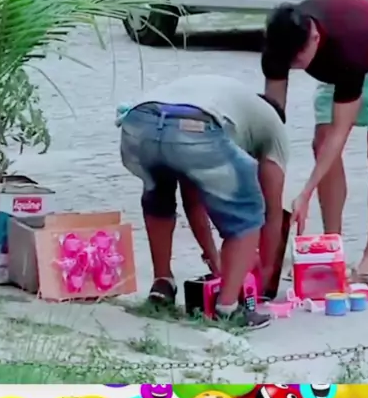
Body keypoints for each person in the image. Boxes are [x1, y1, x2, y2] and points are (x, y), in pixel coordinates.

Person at [261, 0, 368, 288]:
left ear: (314, 38)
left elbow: (340, 134)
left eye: (298, 60)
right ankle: (331, 247)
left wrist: (305, 192)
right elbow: (272, 118)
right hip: (338, 68)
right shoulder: (280, 44)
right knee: (319, 142)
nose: (292, 66)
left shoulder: (349, 47)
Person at [117, 74, 290, 329]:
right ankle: (228, 309)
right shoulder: (273, 127)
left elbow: (193, 199)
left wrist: (214, 259)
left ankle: (162, 284)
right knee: (248, 215)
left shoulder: (231, 106)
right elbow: (272, 211)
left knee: (158, 196)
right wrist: (265, 274)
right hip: (195, 126)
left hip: (139, 122)